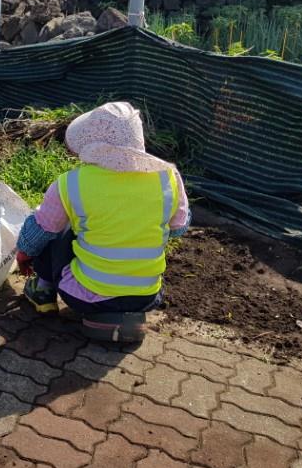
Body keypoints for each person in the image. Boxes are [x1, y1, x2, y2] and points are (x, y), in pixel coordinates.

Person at [14, 102, 191, 318]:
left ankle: (42, 289)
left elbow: (41, 229)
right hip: (146, 297)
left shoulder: (70, 184)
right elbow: (179, 228)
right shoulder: (169, 178)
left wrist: (24, 253)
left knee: (59, 227)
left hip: (86, 298)